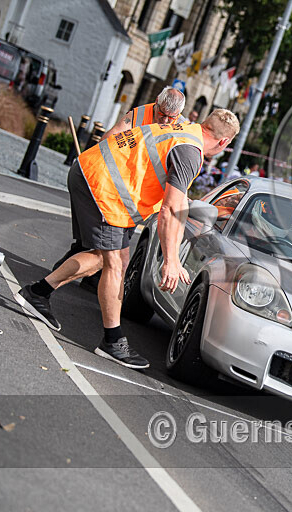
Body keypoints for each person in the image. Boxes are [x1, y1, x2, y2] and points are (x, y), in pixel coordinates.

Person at [15, 109, 240, 370]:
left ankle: (38, 293)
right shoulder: (191, 152)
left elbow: (176, 204)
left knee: (111, 260)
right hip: (103, 189)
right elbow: (169, 210)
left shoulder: (184, 131)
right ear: (224, 143)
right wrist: (170, 261)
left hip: (97, 179)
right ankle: (112, 341)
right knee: (112, 264)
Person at [53, 87, 190, 291]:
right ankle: (60, 273)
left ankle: (92, 278)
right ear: (156, 103)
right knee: (99, 240)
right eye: (162, 114)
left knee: (119, 239)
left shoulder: (183, 128)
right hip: (120, 185)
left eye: (172, 117)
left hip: (140, 194)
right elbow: (114, 134)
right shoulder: (139, 114)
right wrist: (95, 158)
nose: (166, 121)